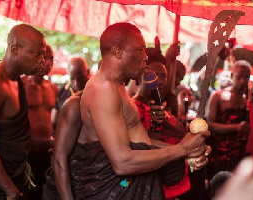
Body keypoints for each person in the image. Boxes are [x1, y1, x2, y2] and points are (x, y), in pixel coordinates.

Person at [51, 22, 210, 199]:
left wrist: (187, 150)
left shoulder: (117, 87)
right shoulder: (103, 89)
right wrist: (181, 151)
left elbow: (141, 141)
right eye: (140, 50)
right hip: (113, 189)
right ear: (118, 51)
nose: (145, 57)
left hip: (125, 185)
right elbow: (122, 163)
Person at [0, 24, 46, 200]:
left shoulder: (14, 79)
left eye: (43, 54)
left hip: (13, 179)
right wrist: (10, 190)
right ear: (15, 50)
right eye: (36, 54)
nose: (42, 61)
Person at [205, 60, 253, 181]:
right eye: (239, 76)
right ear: (232, 76)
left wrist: (251, 133)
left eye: (246, 77)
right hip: (222, 158)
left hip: (247, 159)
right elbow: (209, 125)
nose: (243, 80)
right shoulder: (218, 96)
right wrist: (236, 127)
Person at [132, 61, 191, 199]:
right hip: (154, 186)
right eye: (154, 75)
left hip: (174, 184)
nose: (160, 80)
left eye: (164, 76)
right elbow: (144, 146)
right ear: (140, 78)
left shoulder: (163, 107)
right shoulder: (134, 108)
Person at [21, 44, 58, 200]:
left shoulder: (53, 88)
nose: (49, 62)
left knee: (43, 190)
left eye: (52, 59)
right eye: (45, 57)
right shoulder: (21, 84)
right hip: (26, 148)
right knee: (26, 190)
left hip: (47, 148)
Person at [51, 57, 89, 133]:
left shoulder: (95, 91)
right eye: (72, 78)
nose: (76, 83)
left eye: (80, 78)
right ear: (68, 73)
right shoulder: (60, 92)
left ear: (88, 72)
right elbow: (53, 121)